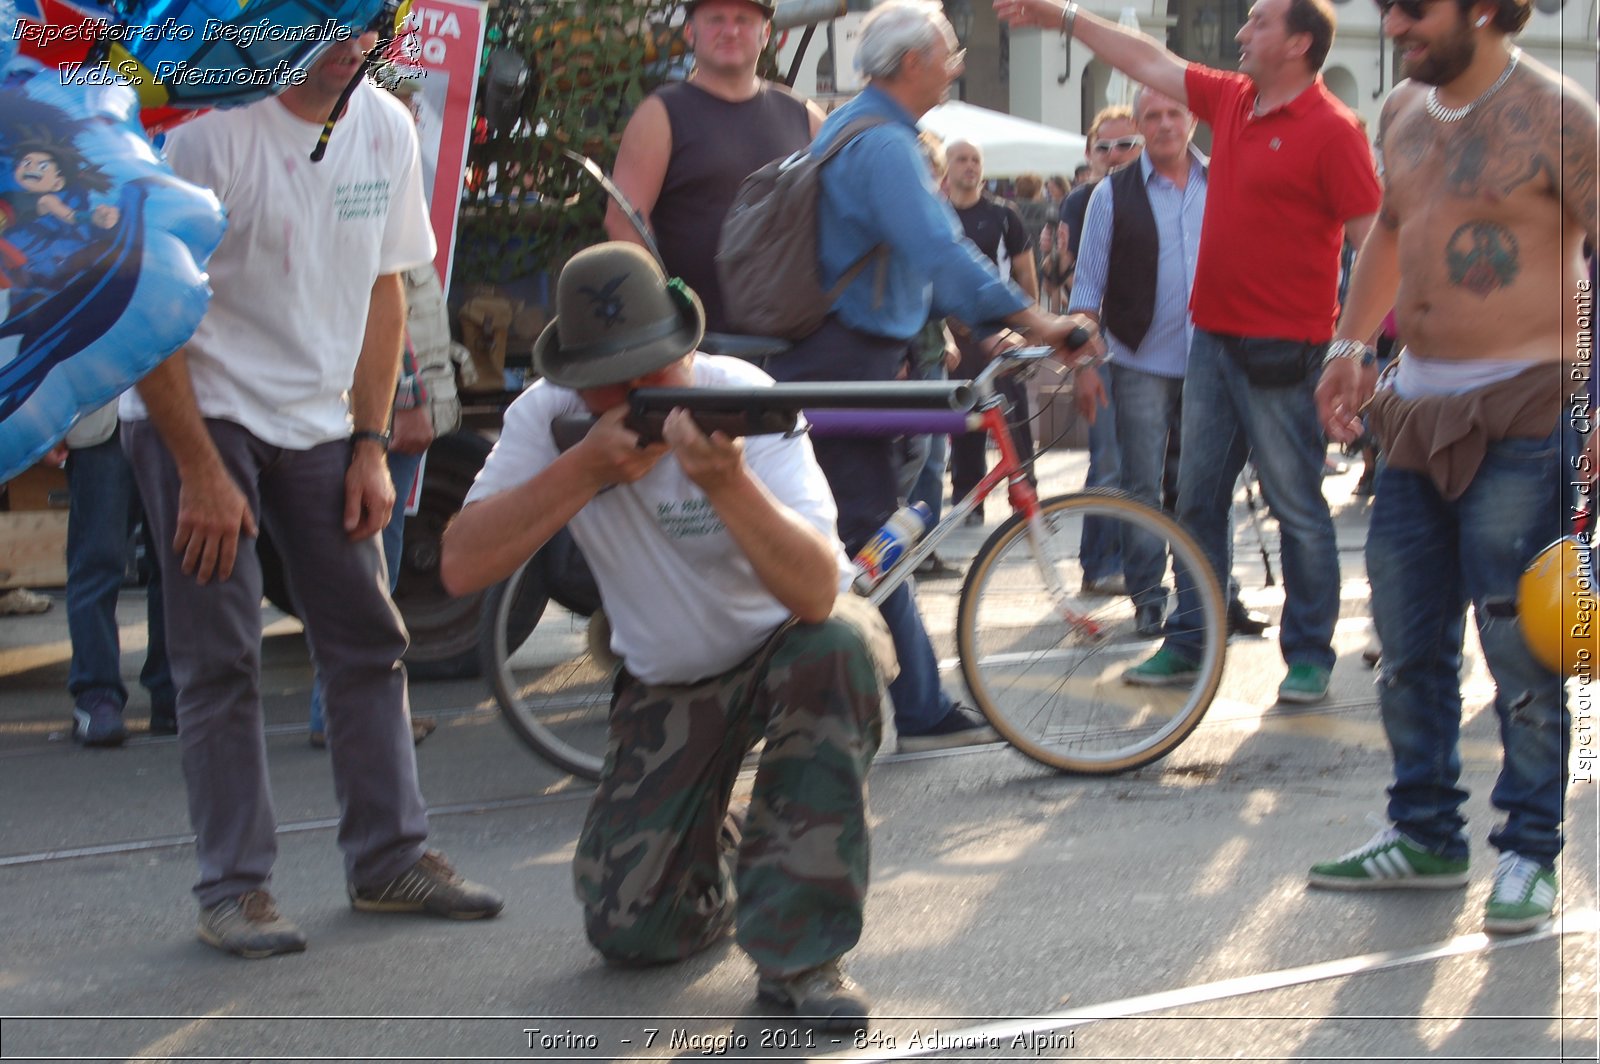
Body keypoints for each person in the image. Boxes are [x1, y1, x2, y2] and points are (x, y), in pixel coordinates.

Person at [120, 31, 503, 959]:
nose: (351, 45)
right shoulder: (209, 131)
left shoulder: (384, 125)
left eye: (368, 25)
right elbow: (146, 298)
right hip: (197, 408)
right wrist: (199, 469)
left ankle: (390, 860)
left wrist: (371, 444)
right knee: (219, 655)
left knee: (368, 637)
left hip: (322, 421)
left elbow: (384, 292)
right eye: (328, 23)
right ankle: (235, 887)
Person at [440, 243, 884, 1030]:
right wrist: (583, 469)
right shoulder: (547, 417)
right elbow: (460, 564)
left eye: (656, 367)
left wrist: (728, 484)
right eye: (620, 377)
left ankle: (802, 956)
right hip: (668, 678)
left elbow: (818, 590)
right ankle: (731, 845)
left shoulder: (743, 396)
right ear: (576, 379)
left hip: (786, 645)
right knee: (631, 931)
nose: (645, 388)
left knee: (839, 649)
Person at [999, 0, 1381, 705]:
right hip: (1214, 341)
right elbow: (1148, 60)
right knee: (1196, 499)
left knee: (1295, 503)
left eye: (1259, 22)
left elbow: (1376, 241)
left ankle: (1308, 655)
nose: (1241, 32)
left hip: (1284, 350)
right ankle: (1190, 639)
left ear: (1299, 42)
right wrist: (1064, 17)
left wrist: (1354, 349)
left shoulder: (1335, 130)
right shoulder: (1235, 99)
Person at [1309, 0, 1595, 934]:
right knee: (1405, 640)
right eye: (1388, 8)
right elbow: (1390, 230)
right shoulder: (1399, 111)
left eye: (1414, 9)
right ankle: (1426, 832)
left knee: (1521, 645)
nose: (1395, 24)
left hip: (1525, 411)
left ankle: (1529, 850)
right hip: (1412, 414)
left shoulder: (1563, 117)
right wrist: (1349, 343)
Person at [771, 0, 1100, 750]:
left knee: (879, 530)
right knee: (870, 537)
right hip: (844, 357)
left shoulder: (860, 128)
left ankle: (912, 697)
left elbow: (929, 260)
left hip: (849, 352)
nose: (955, 65)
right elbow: (941, 252)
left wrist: (985, 322)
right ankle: (914, 705)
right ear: (912, 63)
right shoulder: (884, 145)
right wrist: (1039, 323)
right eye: (949, 52)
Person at [1067, 87, 1205, 639]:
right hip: (1139, 360)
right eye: (1154, 116)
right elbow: (1086, 291)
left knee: (1200, 489)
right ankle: (1148, 595)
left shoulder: (1222, 182)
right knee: (1141, 484)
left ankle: (1206, 595)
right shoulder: (1110, 194)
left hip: (1213, 364)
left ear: (1193, 119)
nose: (1166, 124)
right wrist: (1082, 364)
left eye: (1175, 113)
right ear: (1141, 125)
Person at [605, 0, 824, 333]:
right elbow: (623, 222)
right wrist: (663, 317)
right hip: (697, 344)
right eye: (715, 20)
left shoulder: (803, 114)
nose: (730, 31)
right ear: (691, 33)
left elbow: (839, 216)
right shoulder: (660, 115)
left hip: (794, 343)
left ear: (766, 34)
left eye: (743, 20)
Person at [55, 402, 175, 746]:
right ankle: (97, 694)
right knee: (97, 563)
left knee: (177, 565)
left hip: (171, 416)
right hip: (100, 419)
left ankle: (172, 690)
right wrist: (46, 420)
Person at [1057, 106, 1141, 594]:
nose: (1114, 155)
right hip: (1103, 344)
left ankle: (1134, 561)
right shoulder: (1086, 199)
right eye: (1103, 147)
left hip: (1155, 350)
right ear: (1089, 155)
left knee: (1143, 461)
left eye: (1126, 144)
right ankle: (1101, 563)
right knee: (1107, 457)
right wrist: (1084, 360)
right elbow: (1076, 277)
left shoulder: (1161, 193)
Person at [942, 138, 1040, 520]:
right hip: (954, 337)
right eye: (962, 159)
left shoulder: (1004, 215)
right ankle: (969, 503)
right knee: (963, 421)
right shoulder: (937, 215)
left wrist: (1029, 330)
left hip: (1000, 335)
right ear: (946, 167)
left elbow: (1025, 274)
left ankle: (1026, 495)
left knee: (1012, 419)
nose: (970, 166)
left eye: (976, 160)